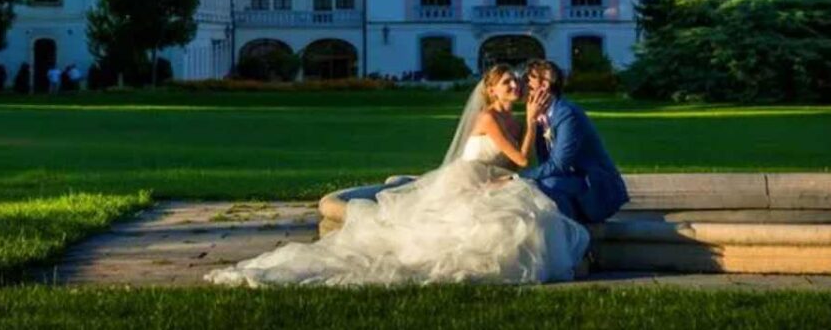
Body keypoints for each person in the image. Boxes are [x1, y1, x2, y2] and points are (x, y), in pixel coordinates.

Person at [205, 64, 590, 286]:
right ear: (491, 90)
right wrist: (528, 123)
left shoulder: (507, 115)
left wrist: (531, 124)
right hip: (468, 182)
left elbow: (524, 162)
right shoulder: (490, 117)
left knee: (523, 210)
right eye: (508, 82)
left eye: (517, 81)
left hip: (486, 181)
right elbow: (522, 160)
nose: (517, 84)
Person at [524, 60, 628, 223]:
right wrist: (531, 119)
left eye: (530, 85)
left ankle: (577, 239)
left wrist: (520, 177)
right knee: (542, 184)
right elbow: (545, 161)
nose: (526, 90)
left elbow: (559, 165)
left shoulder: (566, 114)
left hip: (596, 187)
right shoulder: (541, 116)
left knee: (549, 183)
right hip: (571, 182)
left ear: (544, 86)